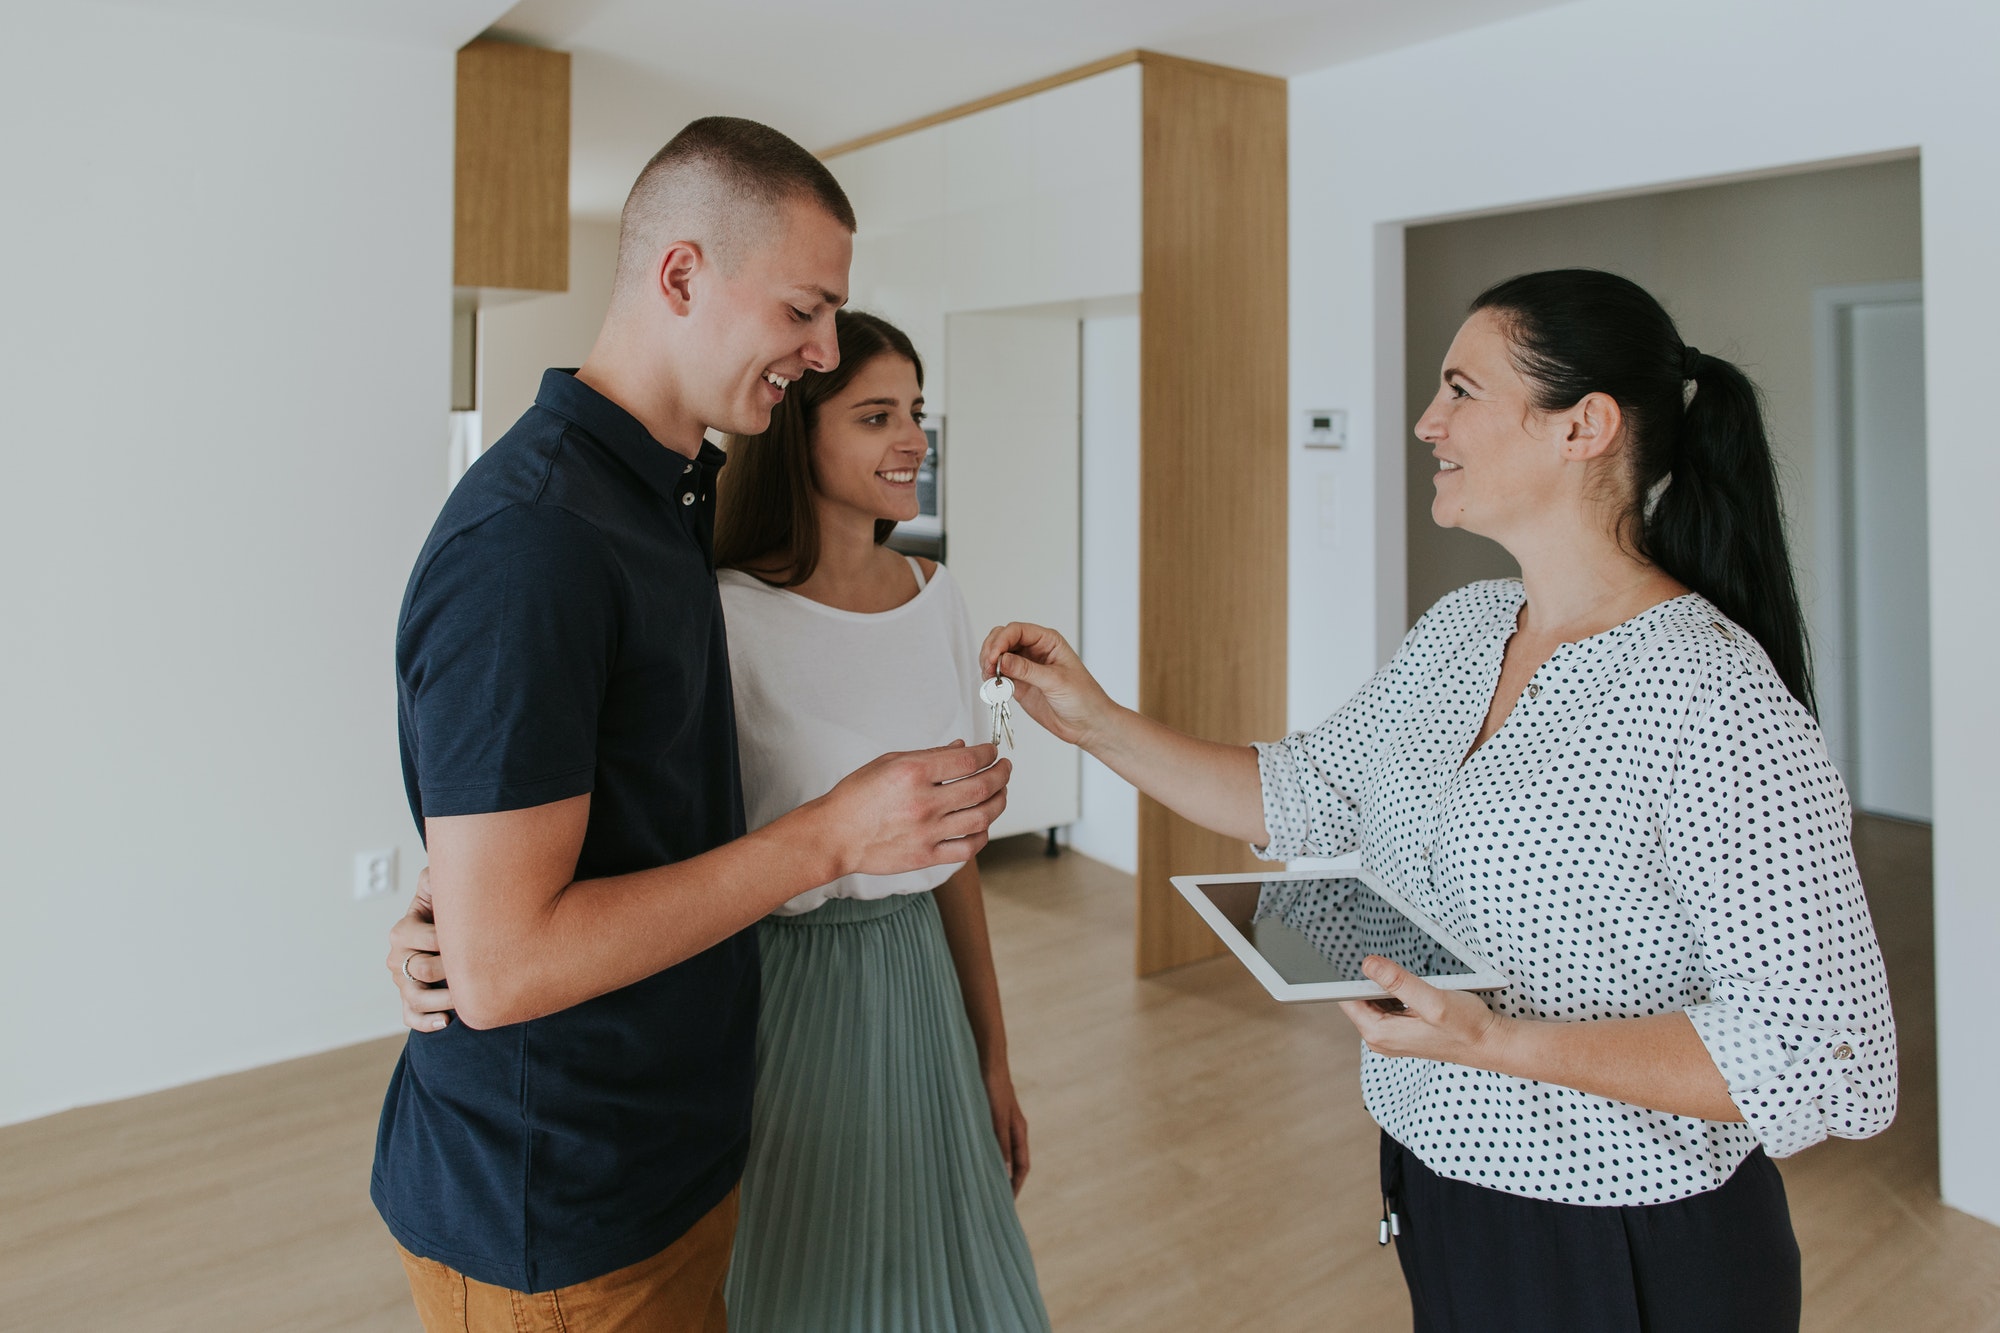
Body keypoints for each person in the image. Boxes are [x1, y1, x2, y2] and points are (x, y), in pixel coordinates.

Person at [980, 269, 1896, 1332]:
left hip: (1622, 1239)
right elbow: (1304, 793)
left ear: (1581, 427)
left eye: (1459, 389)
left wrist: (1493, 1040)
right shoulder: (1463, 629)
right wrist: (1089, 717)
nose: (1426, 421)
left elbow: (1830, 1058)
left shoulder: (1712, 696)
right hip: (1437, 1184)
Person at [375, 118, 1008, 1333]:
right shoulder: (537, 537)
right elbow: (505, 969)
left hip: (670, 1157)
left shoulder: (662, 497)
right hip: (556, 1206)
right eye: (803, 312)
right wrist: (828, 837)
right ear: (680, 275)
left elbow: (596, 810)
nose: (820, 353)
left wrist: (453, 895)